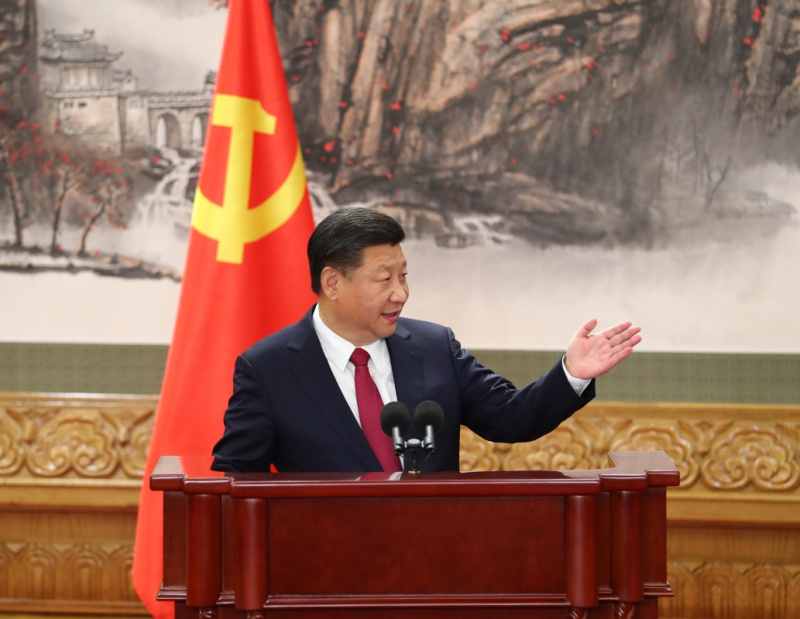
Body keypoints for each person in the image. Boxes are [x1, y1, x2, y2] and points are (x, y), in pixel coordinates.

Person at [211, 207, 641, 473]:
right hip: (326, 574)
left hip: (436, 564)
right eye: (384, 279)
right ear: (333, 282)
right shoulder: (268, 369)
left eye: (404, 275)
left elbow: (511, 418)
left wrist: (571, 374)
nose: (401, 293)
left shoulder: (435, 346)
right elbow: (237, 478)